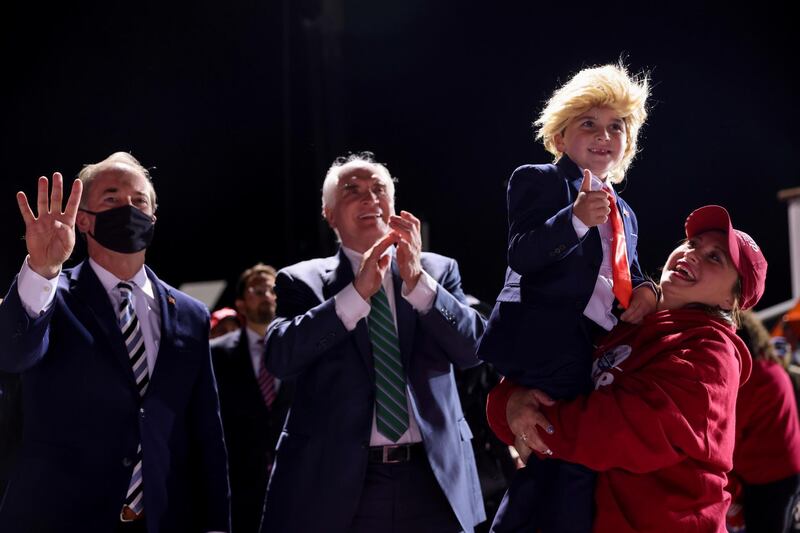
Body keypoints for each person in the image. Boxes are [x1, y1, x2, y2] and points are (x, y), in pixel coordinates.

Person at [487, 205, 767, 532]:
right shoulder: (623, 318)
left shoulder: (711, 354)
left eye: (715, 257)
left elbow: (622, 428)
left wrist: (534, 423)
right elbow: (545, 368)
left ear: (729, 301)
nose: (693, 254)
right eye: (692, 244)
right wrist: (508, 404)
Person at [0, 153, 230, 532]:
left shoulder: (191, 314)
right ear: (84, 218)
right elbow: (14, 353)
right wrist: (42, 270)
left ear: (153, 218)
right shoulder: (49, 294)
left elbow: (206, 431)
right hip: (59, 517)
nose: (128, 208)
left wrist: (217, 525)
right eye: (111, 198)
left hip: (163, 520)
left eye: (139, 201)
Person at [260, 151, 487, 533]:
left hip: (432, 481)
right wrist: (354, 295)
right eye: (353, 190)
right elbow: (280, 358)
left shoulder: (439, 270)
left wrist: (418, 283)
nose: (369, 198)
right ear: (329, 214)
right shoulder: (301, 281)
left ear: (393, 206)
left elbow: (473, 351)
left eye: (378, 189)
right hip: (338, 486)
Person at [476, 62, 656, 532]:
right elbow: (523, 252)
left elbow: (627, 271)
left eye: (617, 126)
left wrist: (647, 290)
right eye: (588, 123)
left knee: (558, 464)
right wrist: (574, 220)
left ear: (627, 144)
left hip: (589, 345)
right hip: (546, 343)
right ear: (559, 138)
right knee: (569, 456)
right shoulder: (539, 179)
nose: (604, 135)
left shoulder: (627, 213)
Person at [210, 263, 293, 533]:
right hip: (239, 488)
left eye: (272, 289)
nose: (267, 295)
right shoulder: (216, 354)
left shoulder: (299, 350)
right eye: (258, 290)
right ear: (241, 304)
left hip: (293, 485)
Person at [726, 310, 800, 532]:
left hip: (768, 479)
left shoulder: (751, 378)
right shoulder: (772, 368)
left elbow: (728, 438)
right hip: (785, 471)